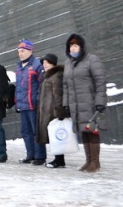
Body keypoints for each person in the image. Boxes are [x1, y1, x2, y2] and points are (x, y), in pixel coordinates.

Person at [63, 33, 107, 173]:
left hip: (89, 102)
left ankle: (95, 162)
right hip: (75, 104)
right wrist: (66, 104)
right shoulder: (68, 63)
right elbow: (65, 85)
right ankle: (88, 161)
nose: (73, 48)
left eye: (75, 45)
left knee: (92, 131)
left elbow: (100, 81)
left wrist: (100, 101)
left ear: (81, 47)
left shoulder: (91, 60)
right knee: (84, 131)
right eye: (71, 46)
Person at [15, 39, 46, 165]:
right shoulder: (18, 66)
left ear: (30, 51)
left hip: (33, 105)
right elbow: (18, 87)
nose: (20, 53)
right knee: (26, 132)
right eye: (19, 51)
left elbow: (42, 84)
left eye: (22, 51)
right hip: (23, 105)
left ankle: (40, 156)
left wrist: (38, 100)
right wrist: (16, 102)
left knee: (36, 131)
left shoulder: (37, 65)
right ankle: (30, 154)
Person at [36, 53, 66, 168]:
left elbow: (58, 95)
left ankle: (59, 160)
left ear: (53, 63)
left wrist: (60, 111)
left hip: (53, 112)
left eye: (47, 62)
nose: (45, 65)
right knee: (53, 137)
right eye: (43, 63)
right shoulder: (48, 76)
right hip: (47, 112)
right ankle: (58, 159)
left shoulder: (57, 75)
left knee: (56, 136)